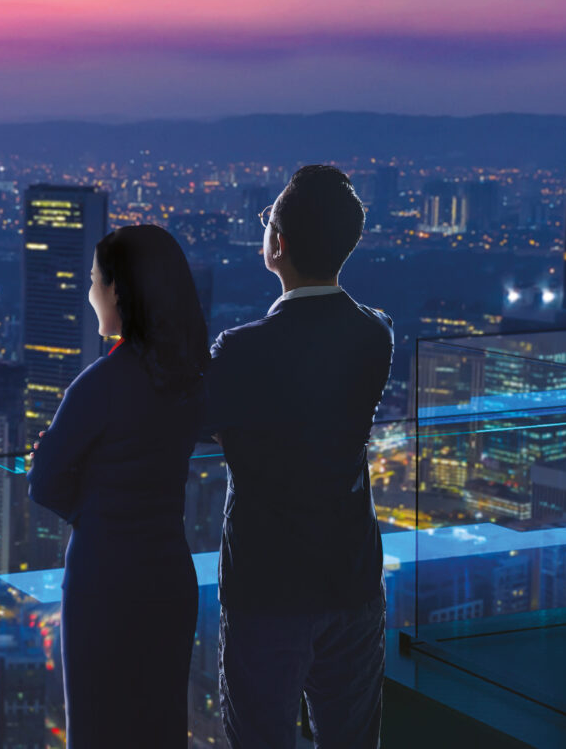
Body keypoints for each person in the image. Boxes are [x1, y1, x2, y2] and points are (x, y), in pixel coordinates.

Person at [204, 164, 395, 748]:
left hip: (269, 586)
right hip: (353, 576)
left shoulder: (242, 351)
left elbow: (190, 422)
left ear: (277, 245)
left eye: (268, 221)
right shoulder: (376, 335)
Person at [27, 224, 208, 748]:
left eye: (93, 280)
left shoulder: (99, 384)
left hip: (104, 583)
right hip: (169, 577)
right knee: (161, 724)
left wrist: (91, 498)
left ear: (118, 291)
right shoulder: (191, 380)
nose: (88, 292)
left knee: (99, 726)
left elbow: (44, 485)